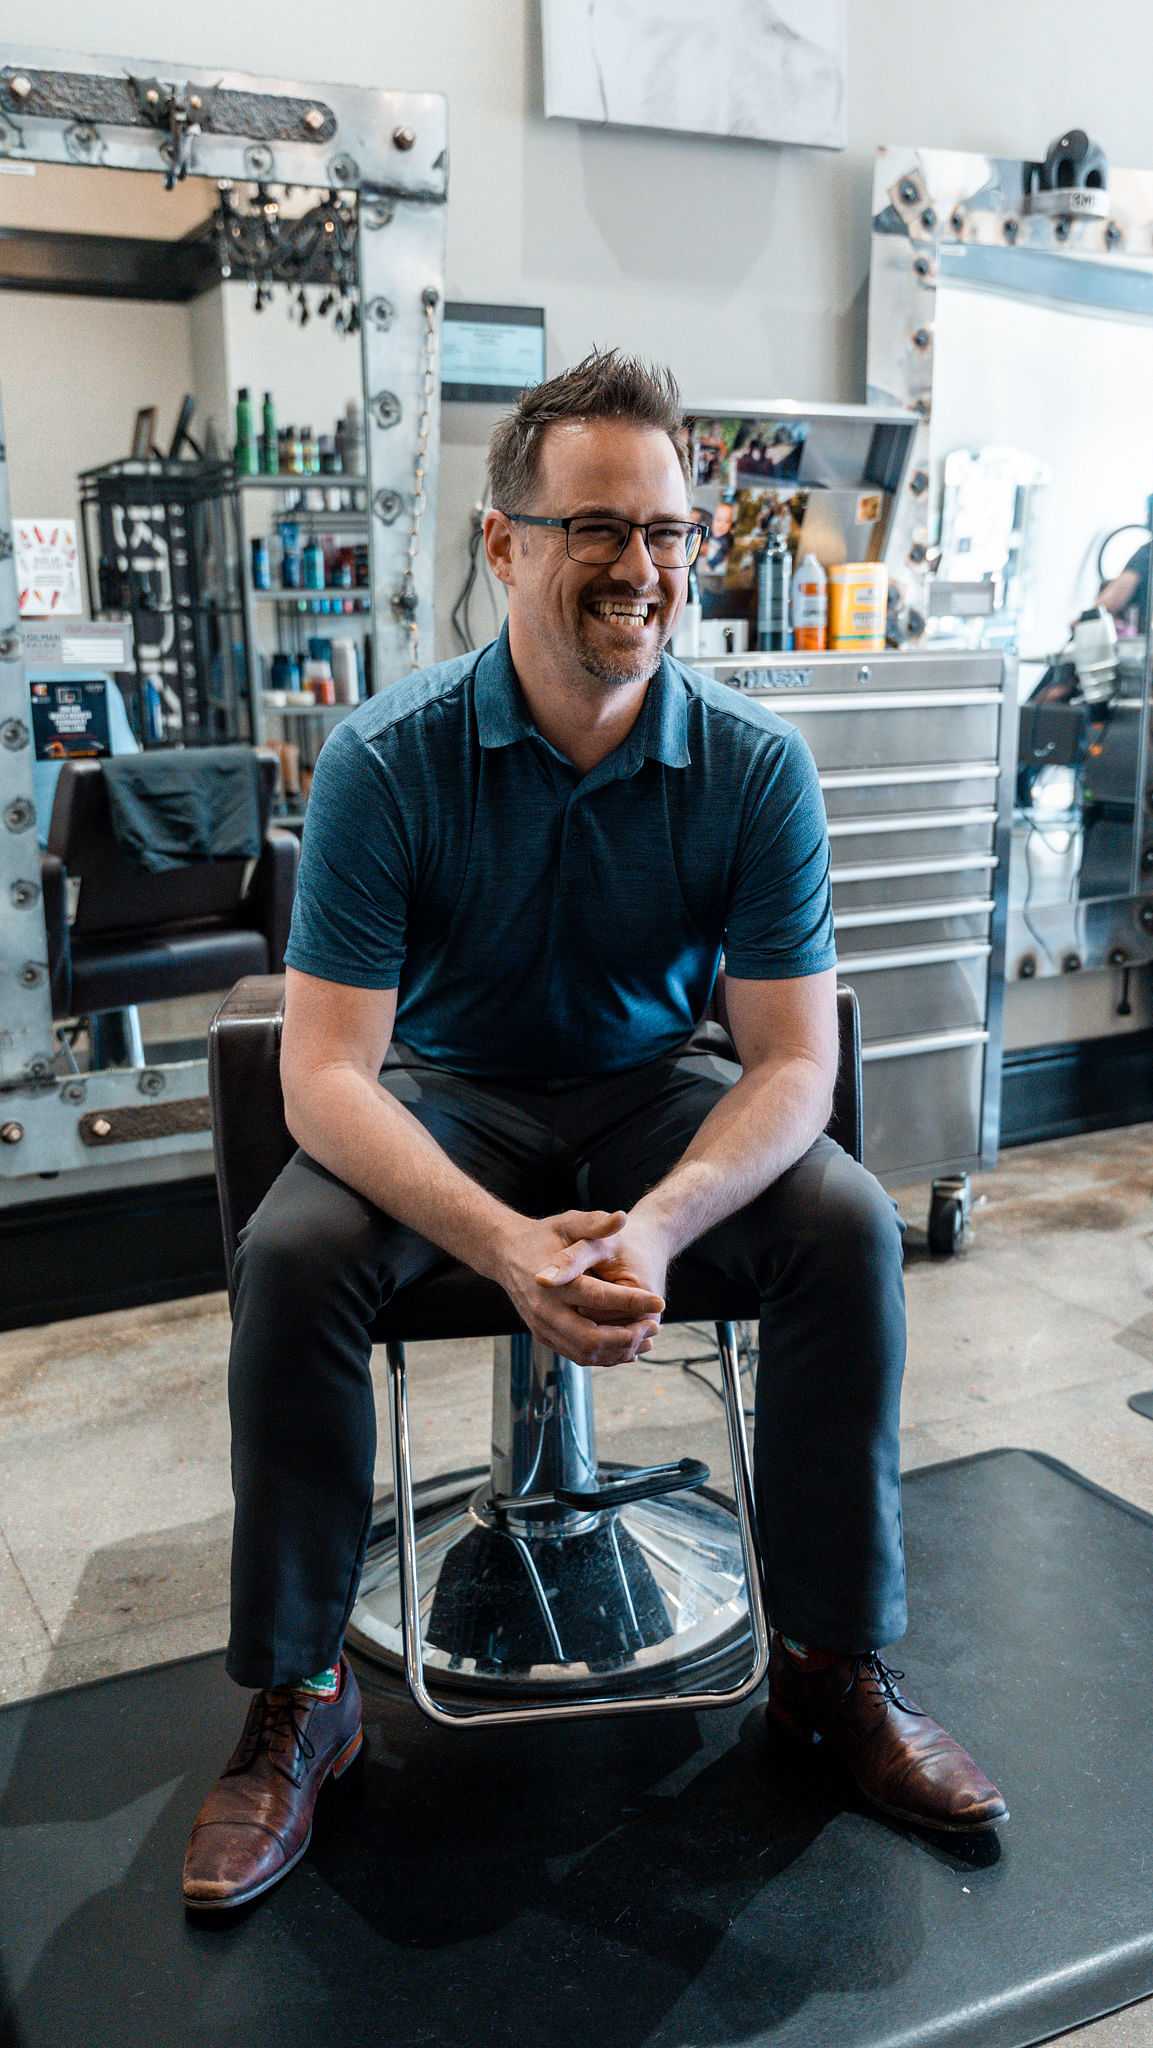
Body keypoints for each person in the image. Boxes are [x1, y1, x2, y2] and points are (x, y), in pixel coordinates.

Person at [182, 351, 1007, 1913]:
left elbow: (785, 1062)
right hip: (451, 1090)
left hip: (654, 1091)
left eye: (671, 532)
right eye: (596, 530)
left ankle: (833, 1668)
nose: (641, 568)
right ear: (502, 545)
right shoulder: (385, 760)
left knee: (838, 1225)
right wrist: (502, 1245)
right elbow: (327, 1079)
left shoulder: (753, 767)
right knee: (291, 1256)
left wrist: (664, 1221)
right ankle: (298, 1701)